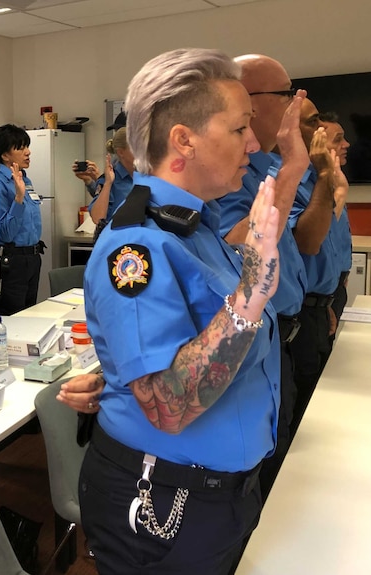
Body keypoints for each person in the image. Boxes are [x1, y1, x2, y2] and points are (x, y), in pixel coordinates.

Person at [80, 48, 281, 575]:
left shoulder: (197, 228)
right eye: (240, 129)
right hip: (165, 501)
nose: (255, 144)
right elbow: (168, 405)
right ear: (183, 140)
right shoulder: (138, 249)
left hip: (219, 493)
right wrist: (253, 290)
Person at [217, 53, 310, 500]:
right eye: (286, 95)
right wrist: (293, 168)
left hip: (283, 336)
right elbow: (236, 244)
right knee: (263, 485)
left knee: (282, 469)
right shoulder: (228, 172)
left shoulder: (266, 163)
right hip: (248, 349)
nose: (294, 105)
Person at [284, 98, 344, 435]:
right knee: (297, 421)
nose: (320, 130)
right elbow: (308, 243)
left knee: (312, 404)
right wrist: (325, 177)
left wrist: (327, 300)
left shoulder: (312, 176)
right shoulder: (288, 177)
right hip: (297, 315)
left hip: (315, 306)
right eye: (312, 121)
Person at [0, 124, 44, 316]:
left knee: (29, 315)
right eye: (20, 148)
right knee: (11, 319)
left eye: (27, 146)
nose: (28, 152)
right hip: (10, 261)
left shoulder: (25, 180)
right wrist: (18, 198)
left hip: (32, 258)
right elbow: (5, 232)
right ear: (5, 155)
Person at [319, 112, 352, 325]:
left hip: (336, 289)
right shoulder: (314, 191)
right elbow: (318, 239)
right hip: (319, 298)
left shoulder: (336, 180)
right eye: (338, 139)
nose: (346, 144)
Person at [87, 127, 135, 224]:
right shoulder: (109, 179)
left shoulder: (146, 176)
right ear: (121, 152)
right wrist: (108, 183)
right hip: (118, 237)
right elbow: (97, 218)